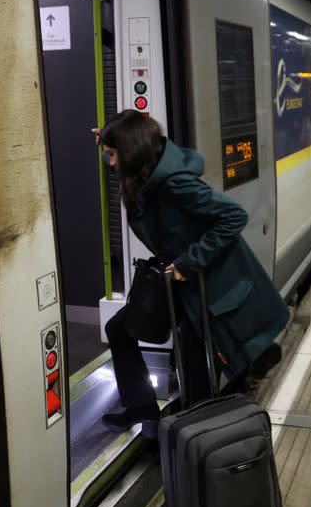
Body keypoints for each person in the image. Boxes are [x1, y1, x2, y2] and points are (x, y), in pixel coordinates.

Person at [94, 111, 290, 432]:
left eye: (114, 154)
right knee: (122, 329)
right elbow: (124, 169)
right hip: (180, 286)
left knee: (194, 363)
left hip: (199, 285)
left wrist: (189, 261)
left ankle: (196, 440)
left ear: (131, 152)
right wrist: (105, 142)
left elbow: (233, 216)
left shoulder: (175, 185)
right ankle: (144, 409)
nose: (111, 163)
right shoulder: (147, 173)